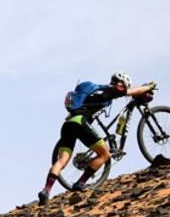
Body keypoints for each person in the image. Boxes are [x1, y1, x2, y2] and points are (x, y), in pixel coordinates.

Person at [38, 73, 157, 205]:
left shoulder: (95, 91)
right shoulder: (110, 90)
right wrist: (148, 87)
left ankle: (46, 190)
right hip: (80, 122)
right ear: (121, 84)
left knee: (61, 161)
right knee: (105, 154)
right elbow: (132, 92)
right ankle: (81, 182)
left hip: (68, 124)